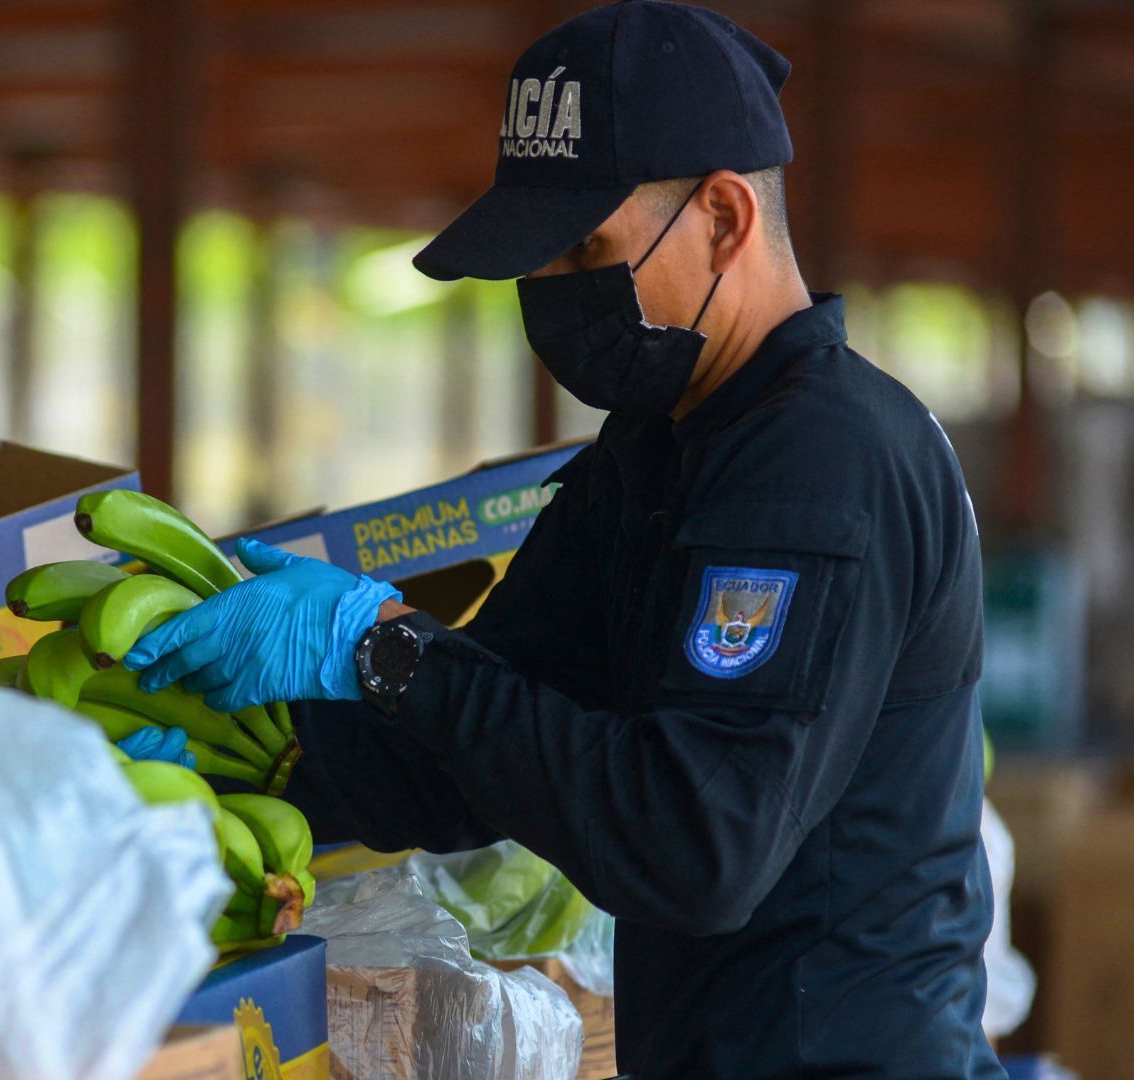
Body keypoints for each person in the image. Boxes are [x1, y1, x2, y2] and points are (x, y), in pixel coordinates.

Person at [125, 1, 1001, 1075]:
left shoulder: (821, 463)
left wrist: (383, 645)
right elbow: (478, 748)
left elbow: (696, 847)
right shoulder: (654, 455)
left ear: (725, 218)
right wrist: (246, 771)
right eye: (542, 261)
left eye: (586, 248)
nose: (553, 295)